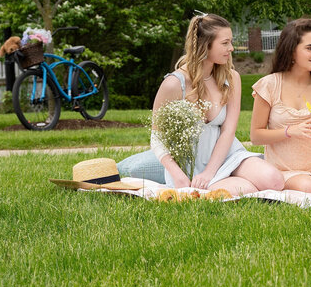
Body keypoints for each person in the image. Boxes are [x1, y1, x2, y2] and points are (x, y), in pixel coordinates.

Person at [117, 14, 283, 195]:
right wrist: (177, 173)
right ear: (205, 45)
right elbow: (157, 136)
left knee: (274, 181)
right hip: (190, 163)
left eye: (231, 42)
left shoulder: (231, 78)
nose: (232, 48)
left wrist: (209, 172)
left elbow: (228, 131)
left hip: (227, 154)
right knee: (246, 190)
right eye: (225, 43)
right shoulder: (174, 84)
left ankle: (220, 180)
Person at [249, 18, 311, 193]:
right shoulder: (269, 85)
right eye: (310, 48)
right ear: (292, 51)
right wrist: (290, 131)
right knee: (310, 189)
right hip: (285, 167)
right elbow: (256, 136)